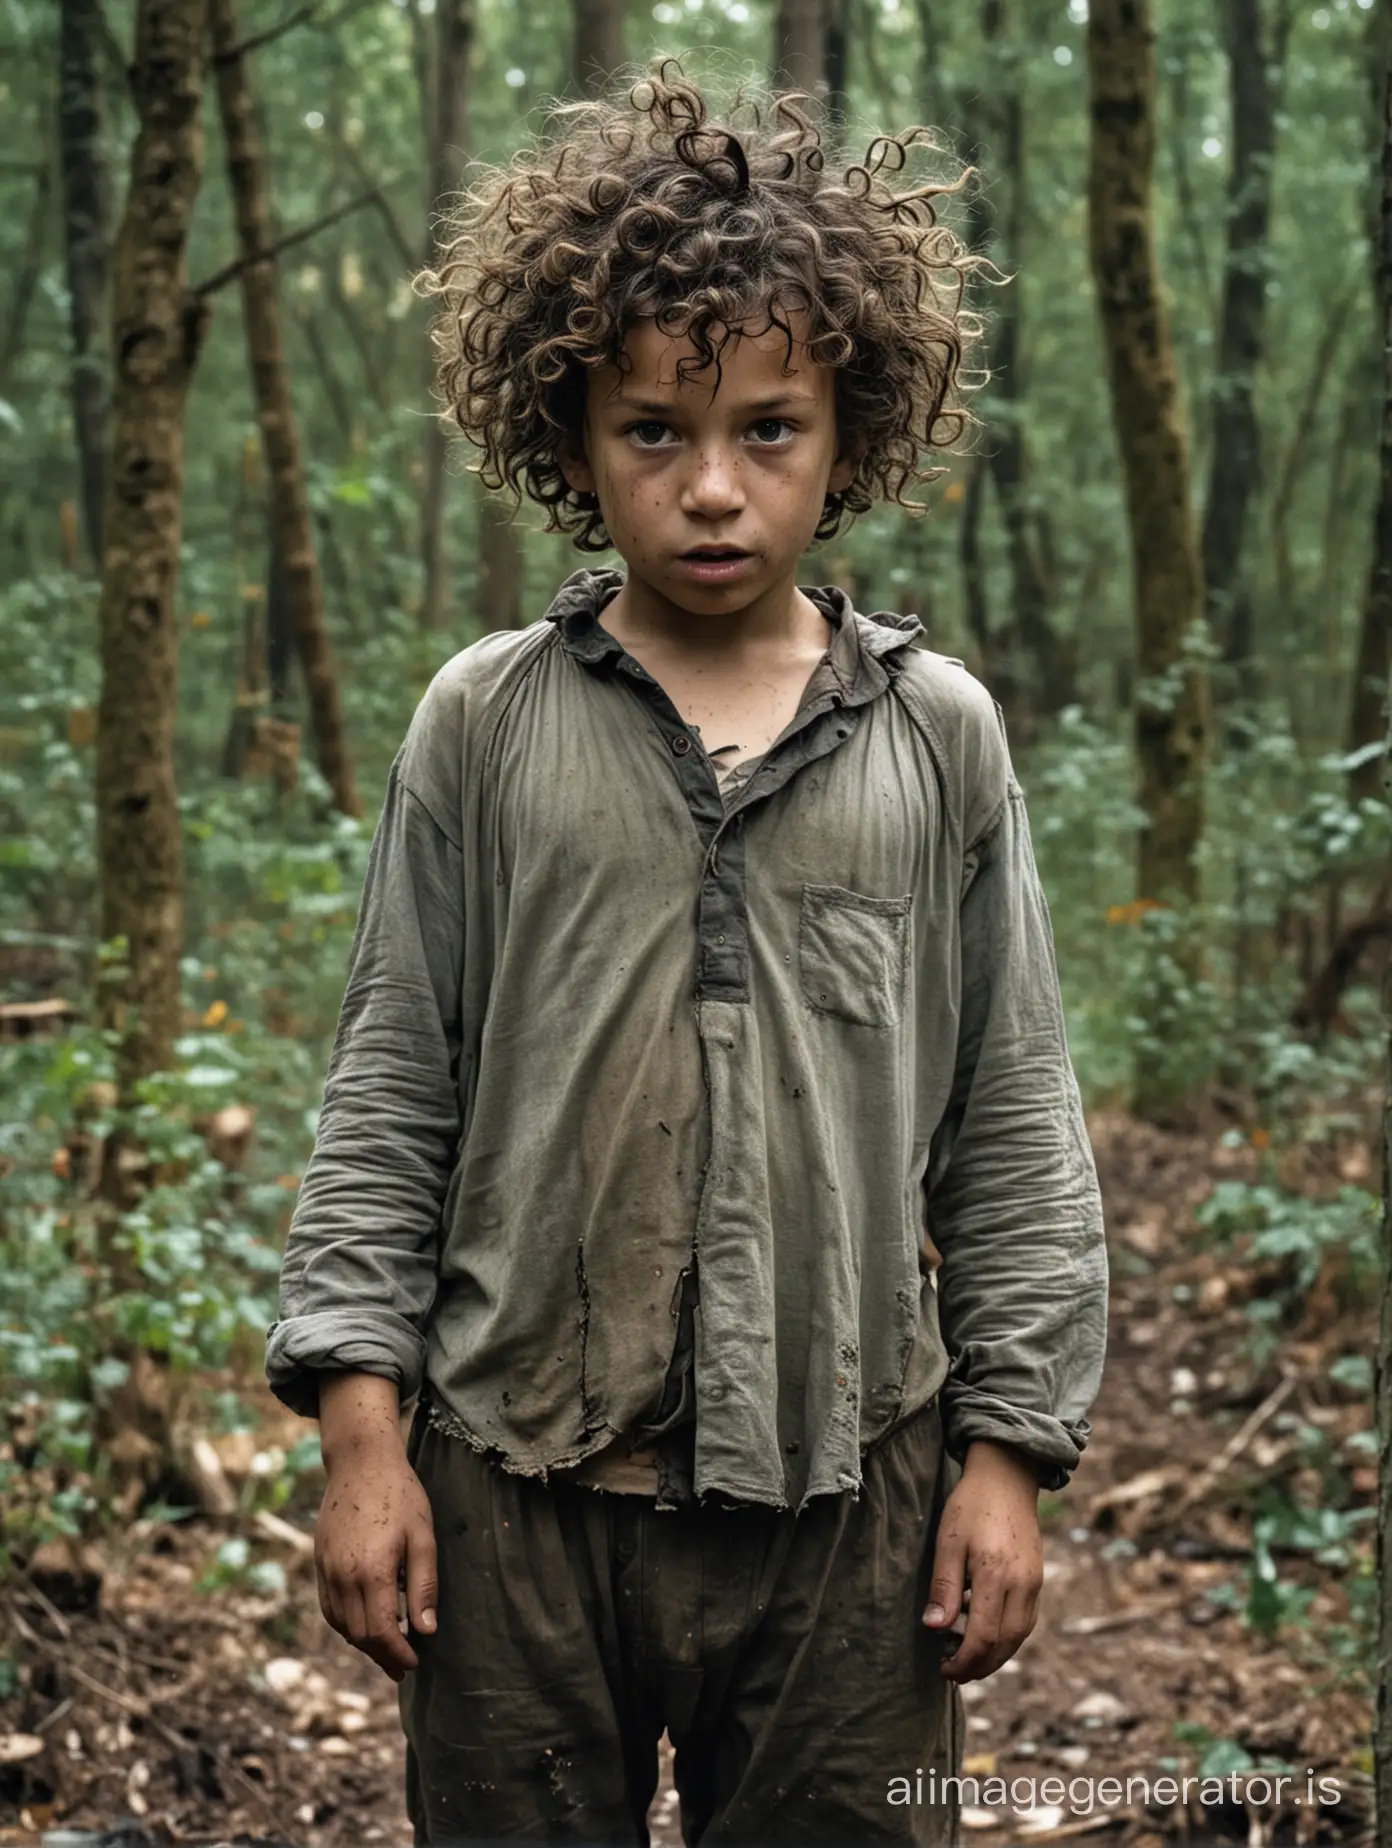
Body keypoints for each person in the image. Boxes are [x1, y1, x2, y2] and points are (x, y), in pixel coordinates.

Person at [265, 63, 1108, 1848]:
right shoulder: (484, 724)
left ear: (847, 427)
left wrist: (1011, 1457)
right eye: (656, 429)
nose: (713, 487)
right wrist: (360, 1445)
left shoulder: (935, 736)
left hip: (849, 1505)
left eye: (769, 429)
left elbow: (1012, 1114)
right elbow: (393, 1080)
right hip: (514, 1495)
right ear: (569, 438)